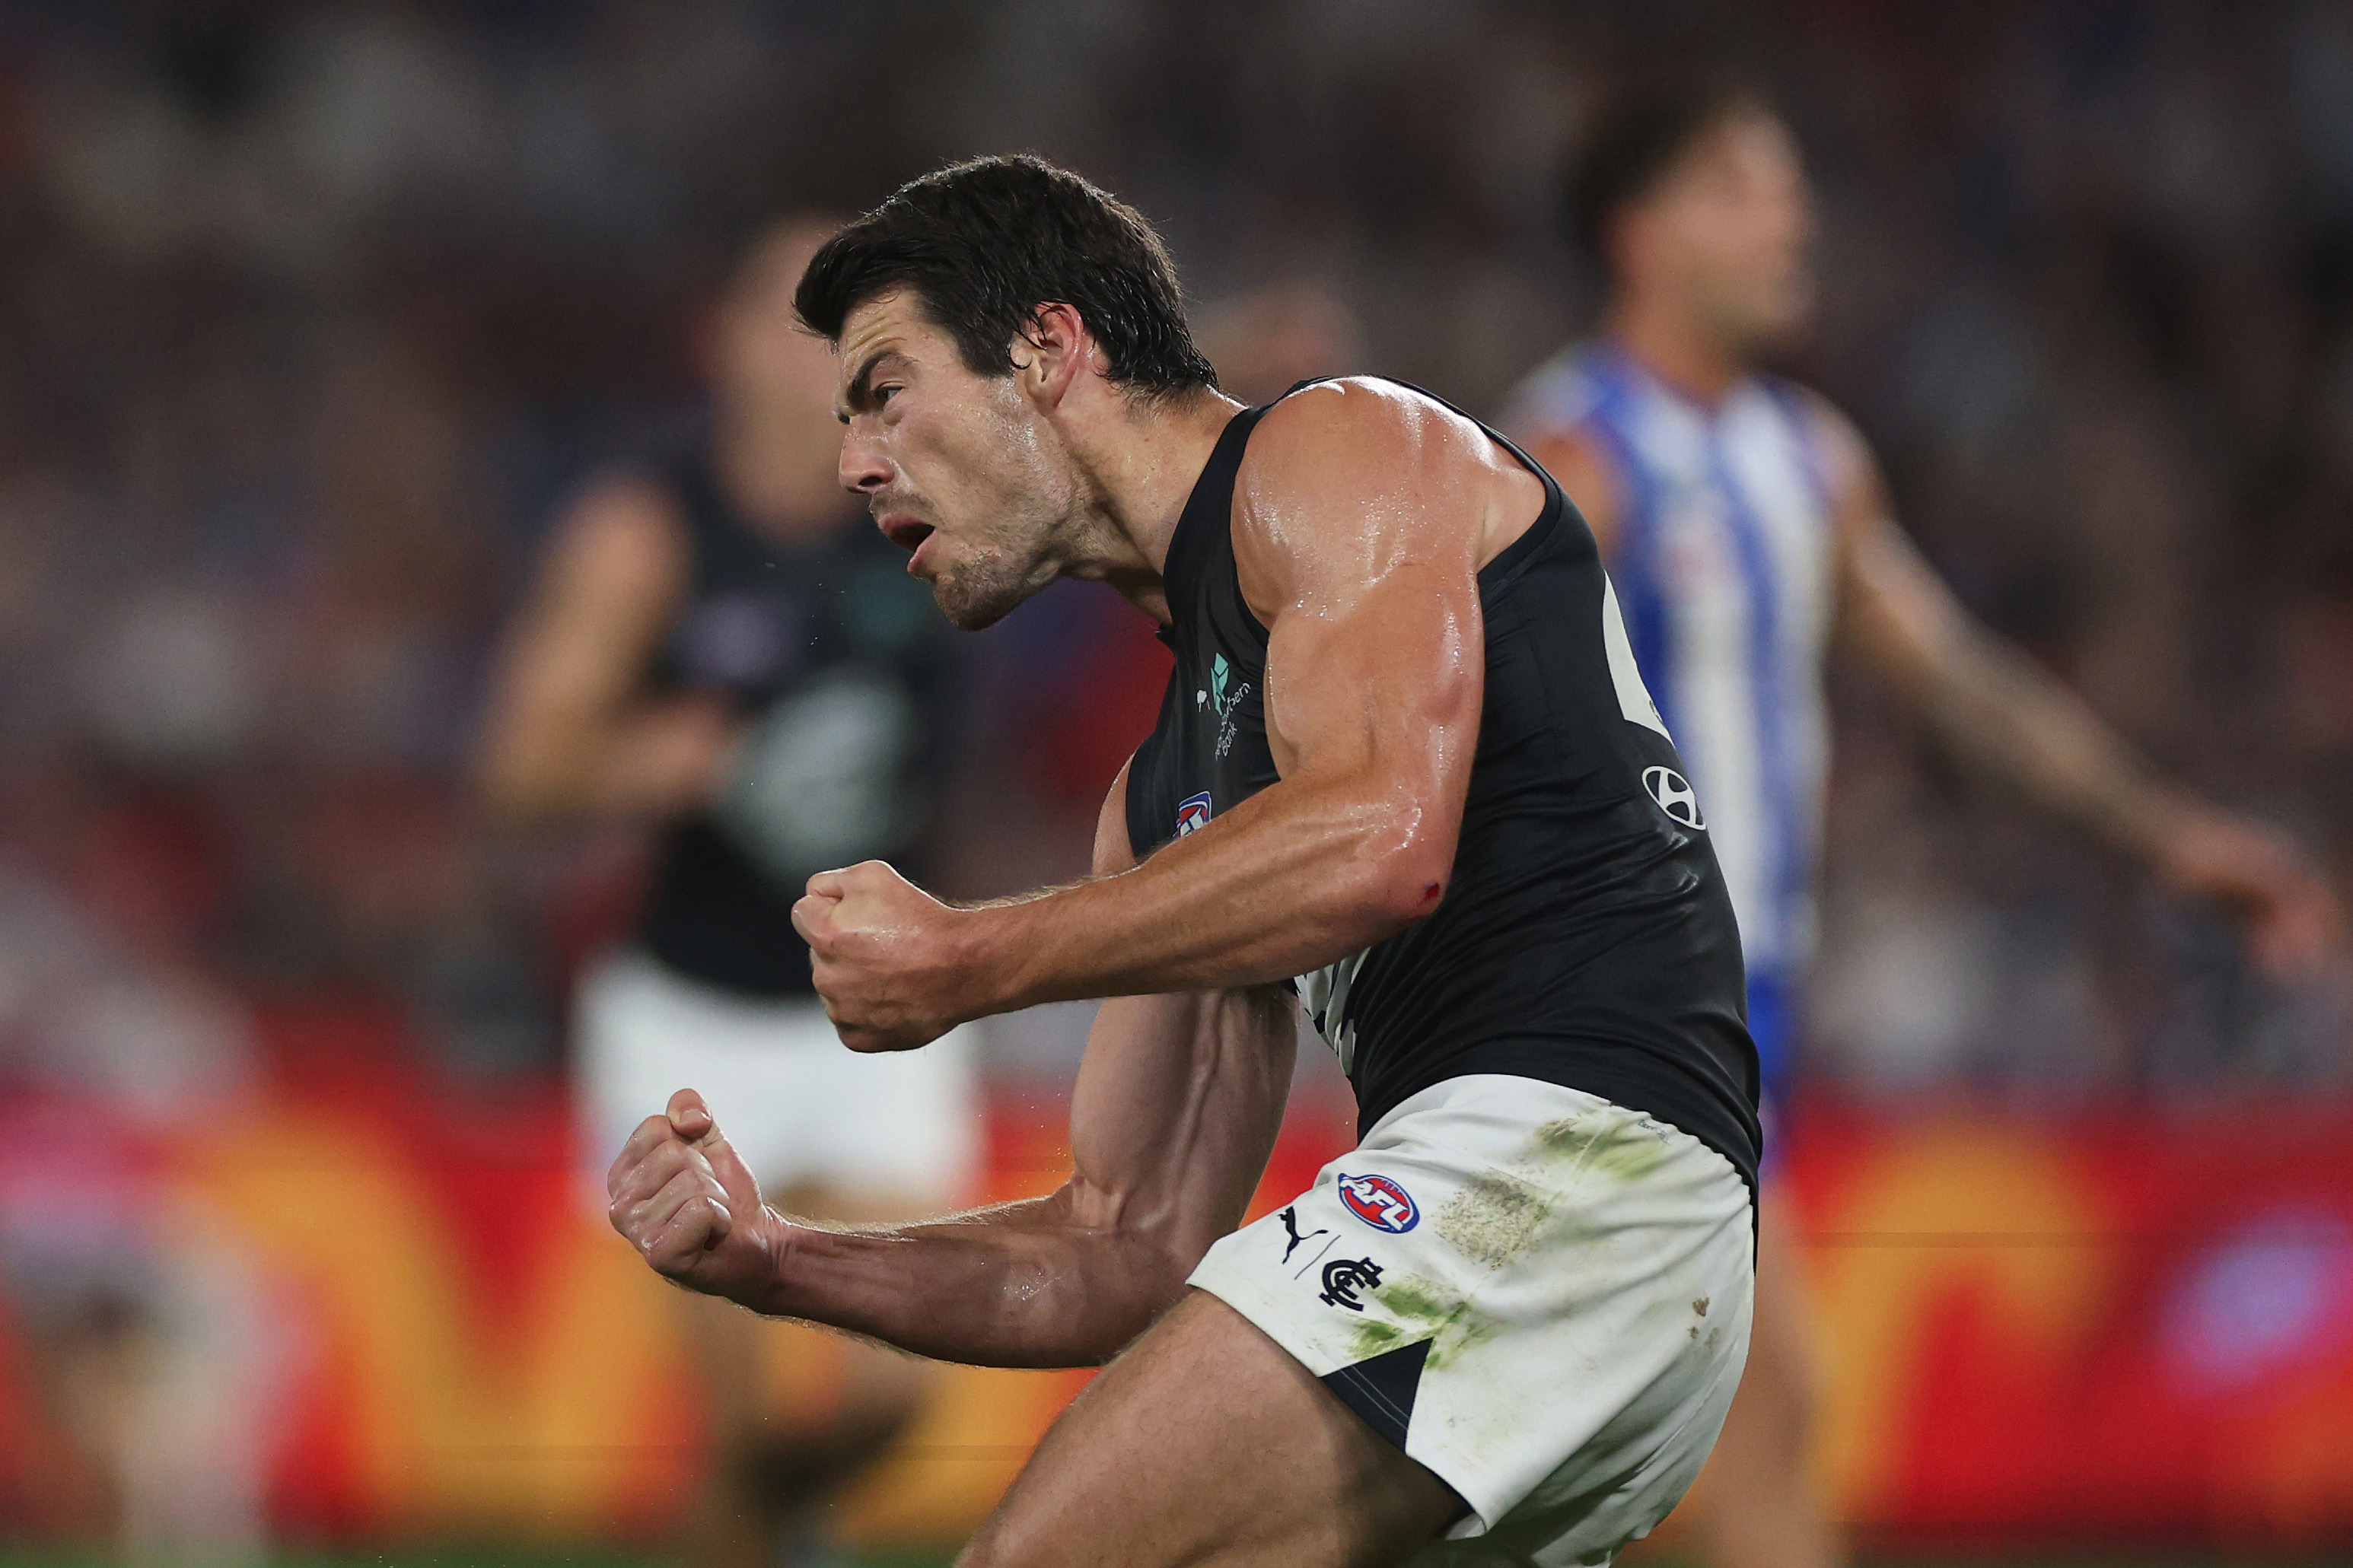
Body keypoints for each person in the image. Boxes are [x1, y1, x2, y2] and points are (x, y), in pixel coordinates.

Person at [611, 154, 1762, 1568]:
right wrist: (780, 1258)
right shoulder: (1165, 806)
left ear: (1046, 349)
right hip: (1582, 1260)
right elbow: (1123, 1246)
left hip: (1572, 1168)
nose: (854, 459)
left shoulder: (1338, 450)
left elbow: (1384, 842)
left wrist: (974, 960)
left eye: (887, 389)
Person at [1500, 76, 2346, 1568]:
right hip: (1609, 1033)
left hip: (1735, 1028)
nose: (1793, 220)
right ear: (1640, 232)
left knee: (1679, 1464)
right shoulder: (1574, 463)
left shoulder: (1805, 460)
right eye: (1745, 189)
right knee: (1747, 1436)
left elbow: (1955, 680)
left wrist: (2168, 835)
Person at [474, 216, 977, 1568]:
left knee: (893, 1388)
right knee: (739, 1406)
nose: (829, 346)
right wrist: (664, 755)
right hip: (691, 1015)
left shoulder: (947, 499)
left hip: (887, 1002)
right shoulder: (648, 529)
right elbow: (518, 764)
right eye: (796, 314)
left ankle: (768, 1527)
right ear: (720, 342)